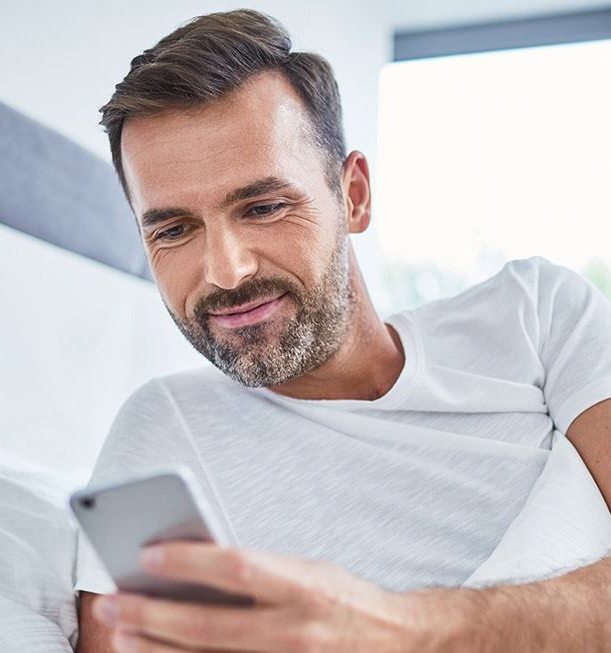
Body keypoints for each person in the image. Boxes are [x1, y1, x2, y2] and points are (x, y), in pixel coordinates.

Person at [74, 9, 611, 652]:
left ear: (352, 195)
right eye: (173, 229)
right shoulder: (160, 434)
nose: (225, 271)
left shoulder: (538, 314)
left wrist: (404, 631)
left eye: (265, 206)